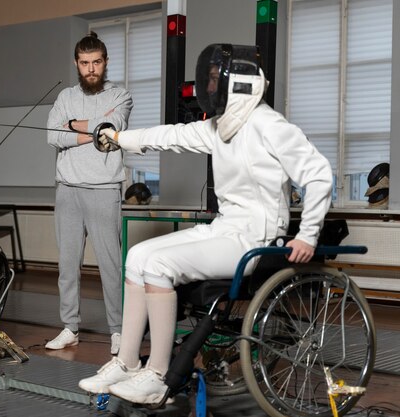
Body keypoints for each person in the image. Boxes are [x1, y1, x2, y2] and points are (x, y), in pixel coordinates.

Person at [78, 44, 333, 405]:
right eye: (208, 79)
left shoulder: (270, 125)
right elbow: (169, 135)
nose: (209, 87)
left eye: (215, 79)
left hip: (255, 239)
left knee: (160, 264)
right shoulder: (219, 127)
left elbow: (319, 174)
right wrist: (118, 138)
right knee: (137, 256)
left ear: (240, 82)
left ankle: (157, 374)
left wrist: (307, 235)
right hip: (224, 229)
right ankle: (128, 361)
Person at [45, 32, 133, 354]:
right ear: (76, 64)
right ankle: (70, 327)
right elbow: (53, 136)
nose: (91, 69)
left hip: (104, 189)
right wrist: (89, 130)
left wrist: (72, 126)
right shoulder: (65, 96)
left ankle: (119, 331)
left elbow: (111, 128)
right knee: (67, 265)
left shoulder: (120, 96)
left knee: (111, 265)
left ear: (105, 62)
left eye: (96, 62)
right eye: (85, 63)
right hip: (67, 189)